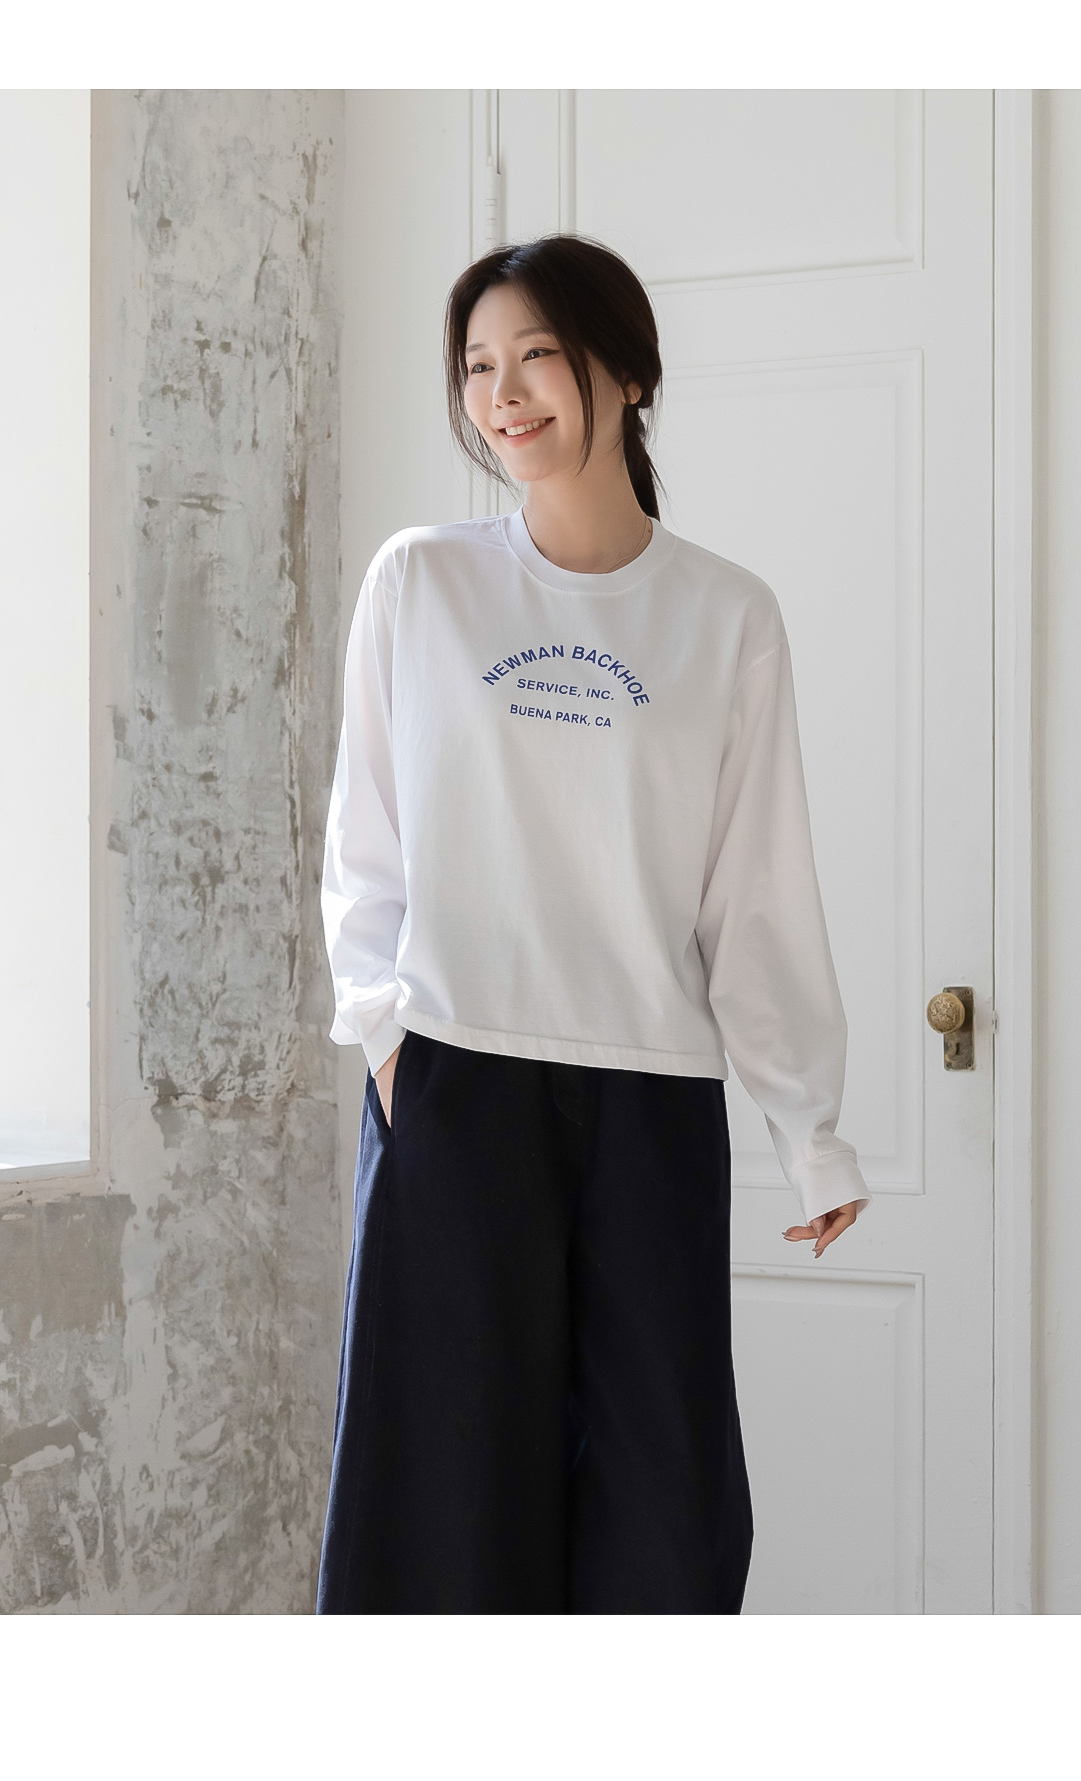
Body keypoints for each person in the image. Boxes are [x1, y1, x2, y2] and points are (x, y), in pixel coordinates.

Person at [315, 233, 872, 1615]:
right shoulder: (422, 583)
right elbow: (364, 848)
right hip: (456, 1086)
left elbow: (755, 891)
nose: (502, 396)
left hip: (649, 1103)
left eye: (537, 359)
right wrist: (387, 1039)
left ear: (626, 374)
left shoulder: (725, 617)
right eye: (477, 368)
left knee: (665, 1514)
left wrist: (809, 1130)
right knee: (442, 1506)